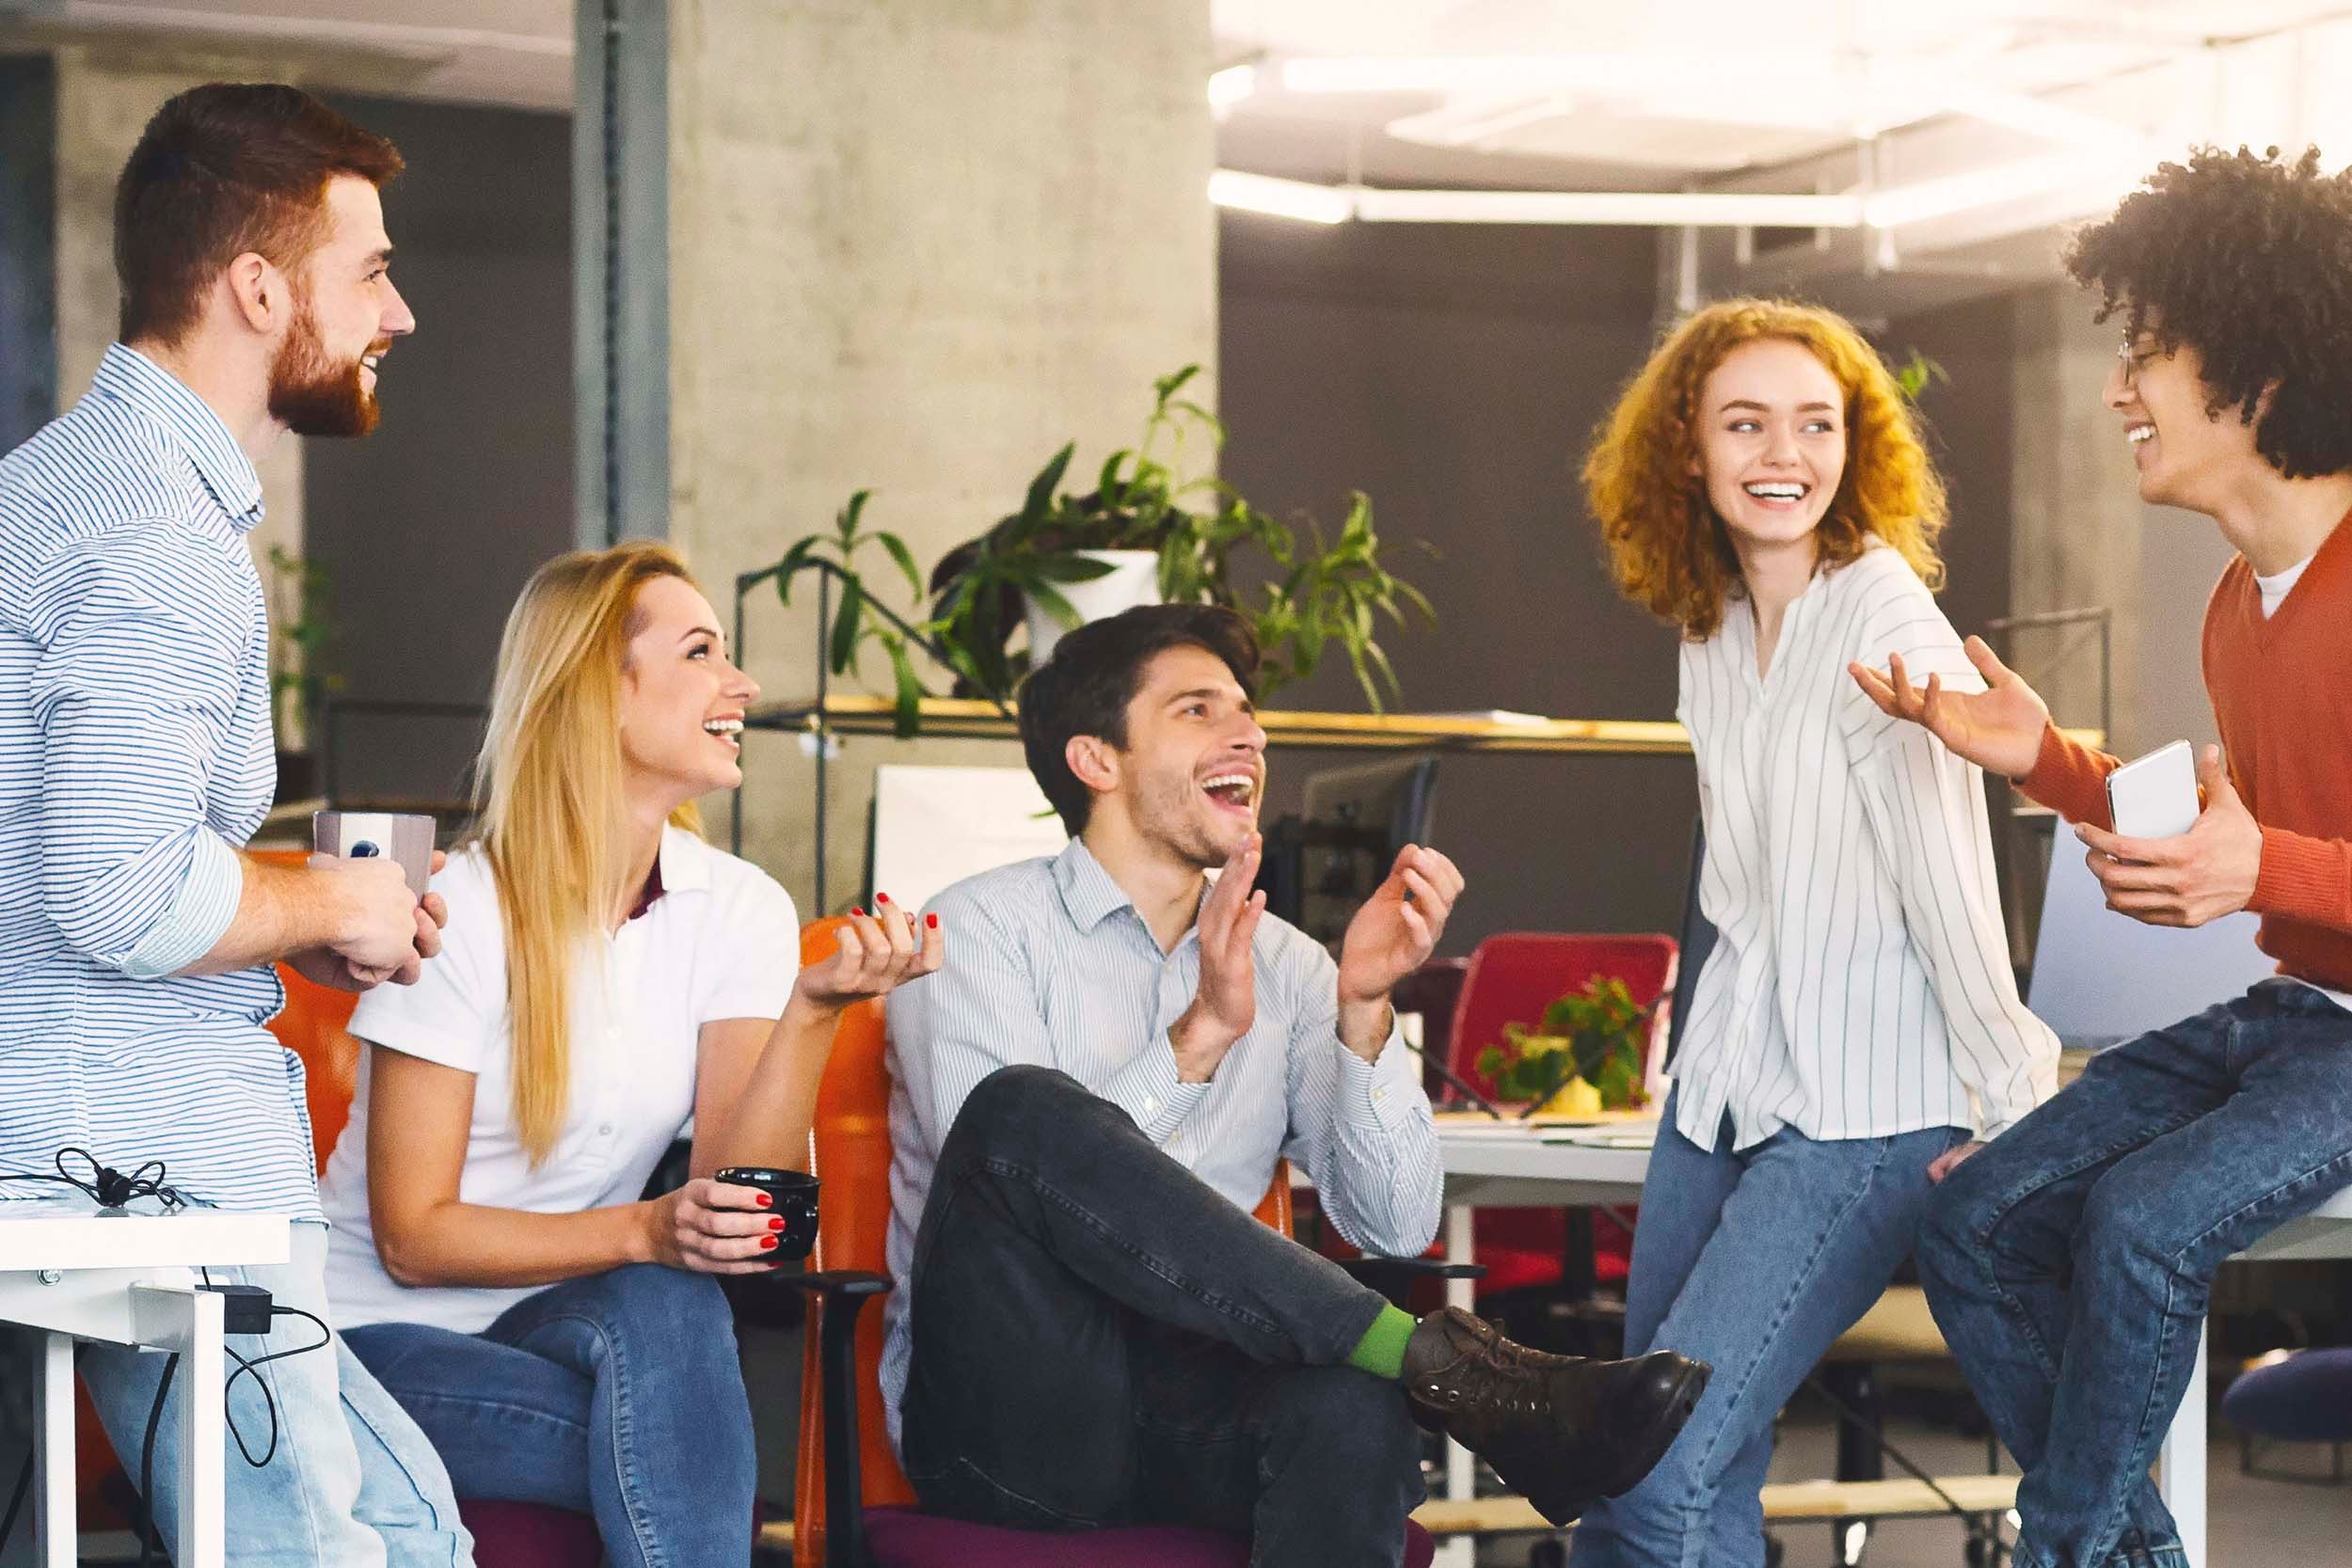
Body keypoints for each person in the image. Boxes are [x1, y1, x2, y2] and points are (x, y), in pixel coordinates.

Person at [882, 602, 1710, 1565]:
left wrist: (1363, 1005)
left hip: (1190, 1406)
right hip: (1016, 1424)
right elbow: (1007, 1178)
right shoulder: (970, 931)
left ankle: (1441, 1371)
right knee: (1018, 1108)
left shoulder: (1291, 962)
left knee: (1351, 1406)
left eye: (1247, 710)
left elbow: (1396, 1224)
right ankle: (1461, 1372)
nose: (1251, 732)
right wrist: (1201, 1035)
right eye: (1198, 709)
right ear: (1094, 760)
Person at [1852, 146, 2352, 1568]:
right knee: (1980, 1216)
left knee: (2139, 1220)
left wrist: (2264, 875)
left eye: (2150, 354)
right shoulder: (2235, 608)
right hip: (2304, 1014)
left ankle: (2067, 1550)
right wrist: (2048, 761)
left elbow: (2269, 860)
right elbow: (2253, 836)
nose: (2122, 390)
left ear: (2255, 369)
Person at [0, 84, 469, 1564]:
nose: (400, 313)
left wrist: (293, 915)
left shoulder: (55, 490)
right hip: (132, 1165)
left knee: (410, 1522)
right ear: (261, 287)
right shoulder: (153, 531)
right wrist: (333, 903)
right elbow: (119, 888)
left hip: (97, 1145)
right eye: (372, 270)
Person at [315, 542, 942, 1567]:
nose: (741, 685)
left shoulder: (738, 906)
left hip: (563, 1322)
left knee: (673, 1297)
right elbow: (414, 1239)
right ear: (597, 690)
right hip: (373, 1342)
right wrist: (649, 1228)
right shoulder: (458, 909)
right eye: (702, 652)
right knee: (680, 1437)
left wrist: (814, 1010)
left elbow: (740, 1214)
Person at [1567, 299, 2059, 1568]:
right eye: (1745, 423)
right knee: (1669, 1461)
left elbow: (1954, 883)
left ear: (1855, 446)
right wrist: (1688, 1060)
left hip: (1865, 1109)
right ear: (1688, 447)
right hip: (1725, 1088)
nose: (1780, 453)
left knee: (1654, 1472)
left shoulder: (1884, 620)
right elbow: (1741, 895)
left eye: (1814, 423)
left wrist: (2011, 1098)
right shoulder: (1716, 627)